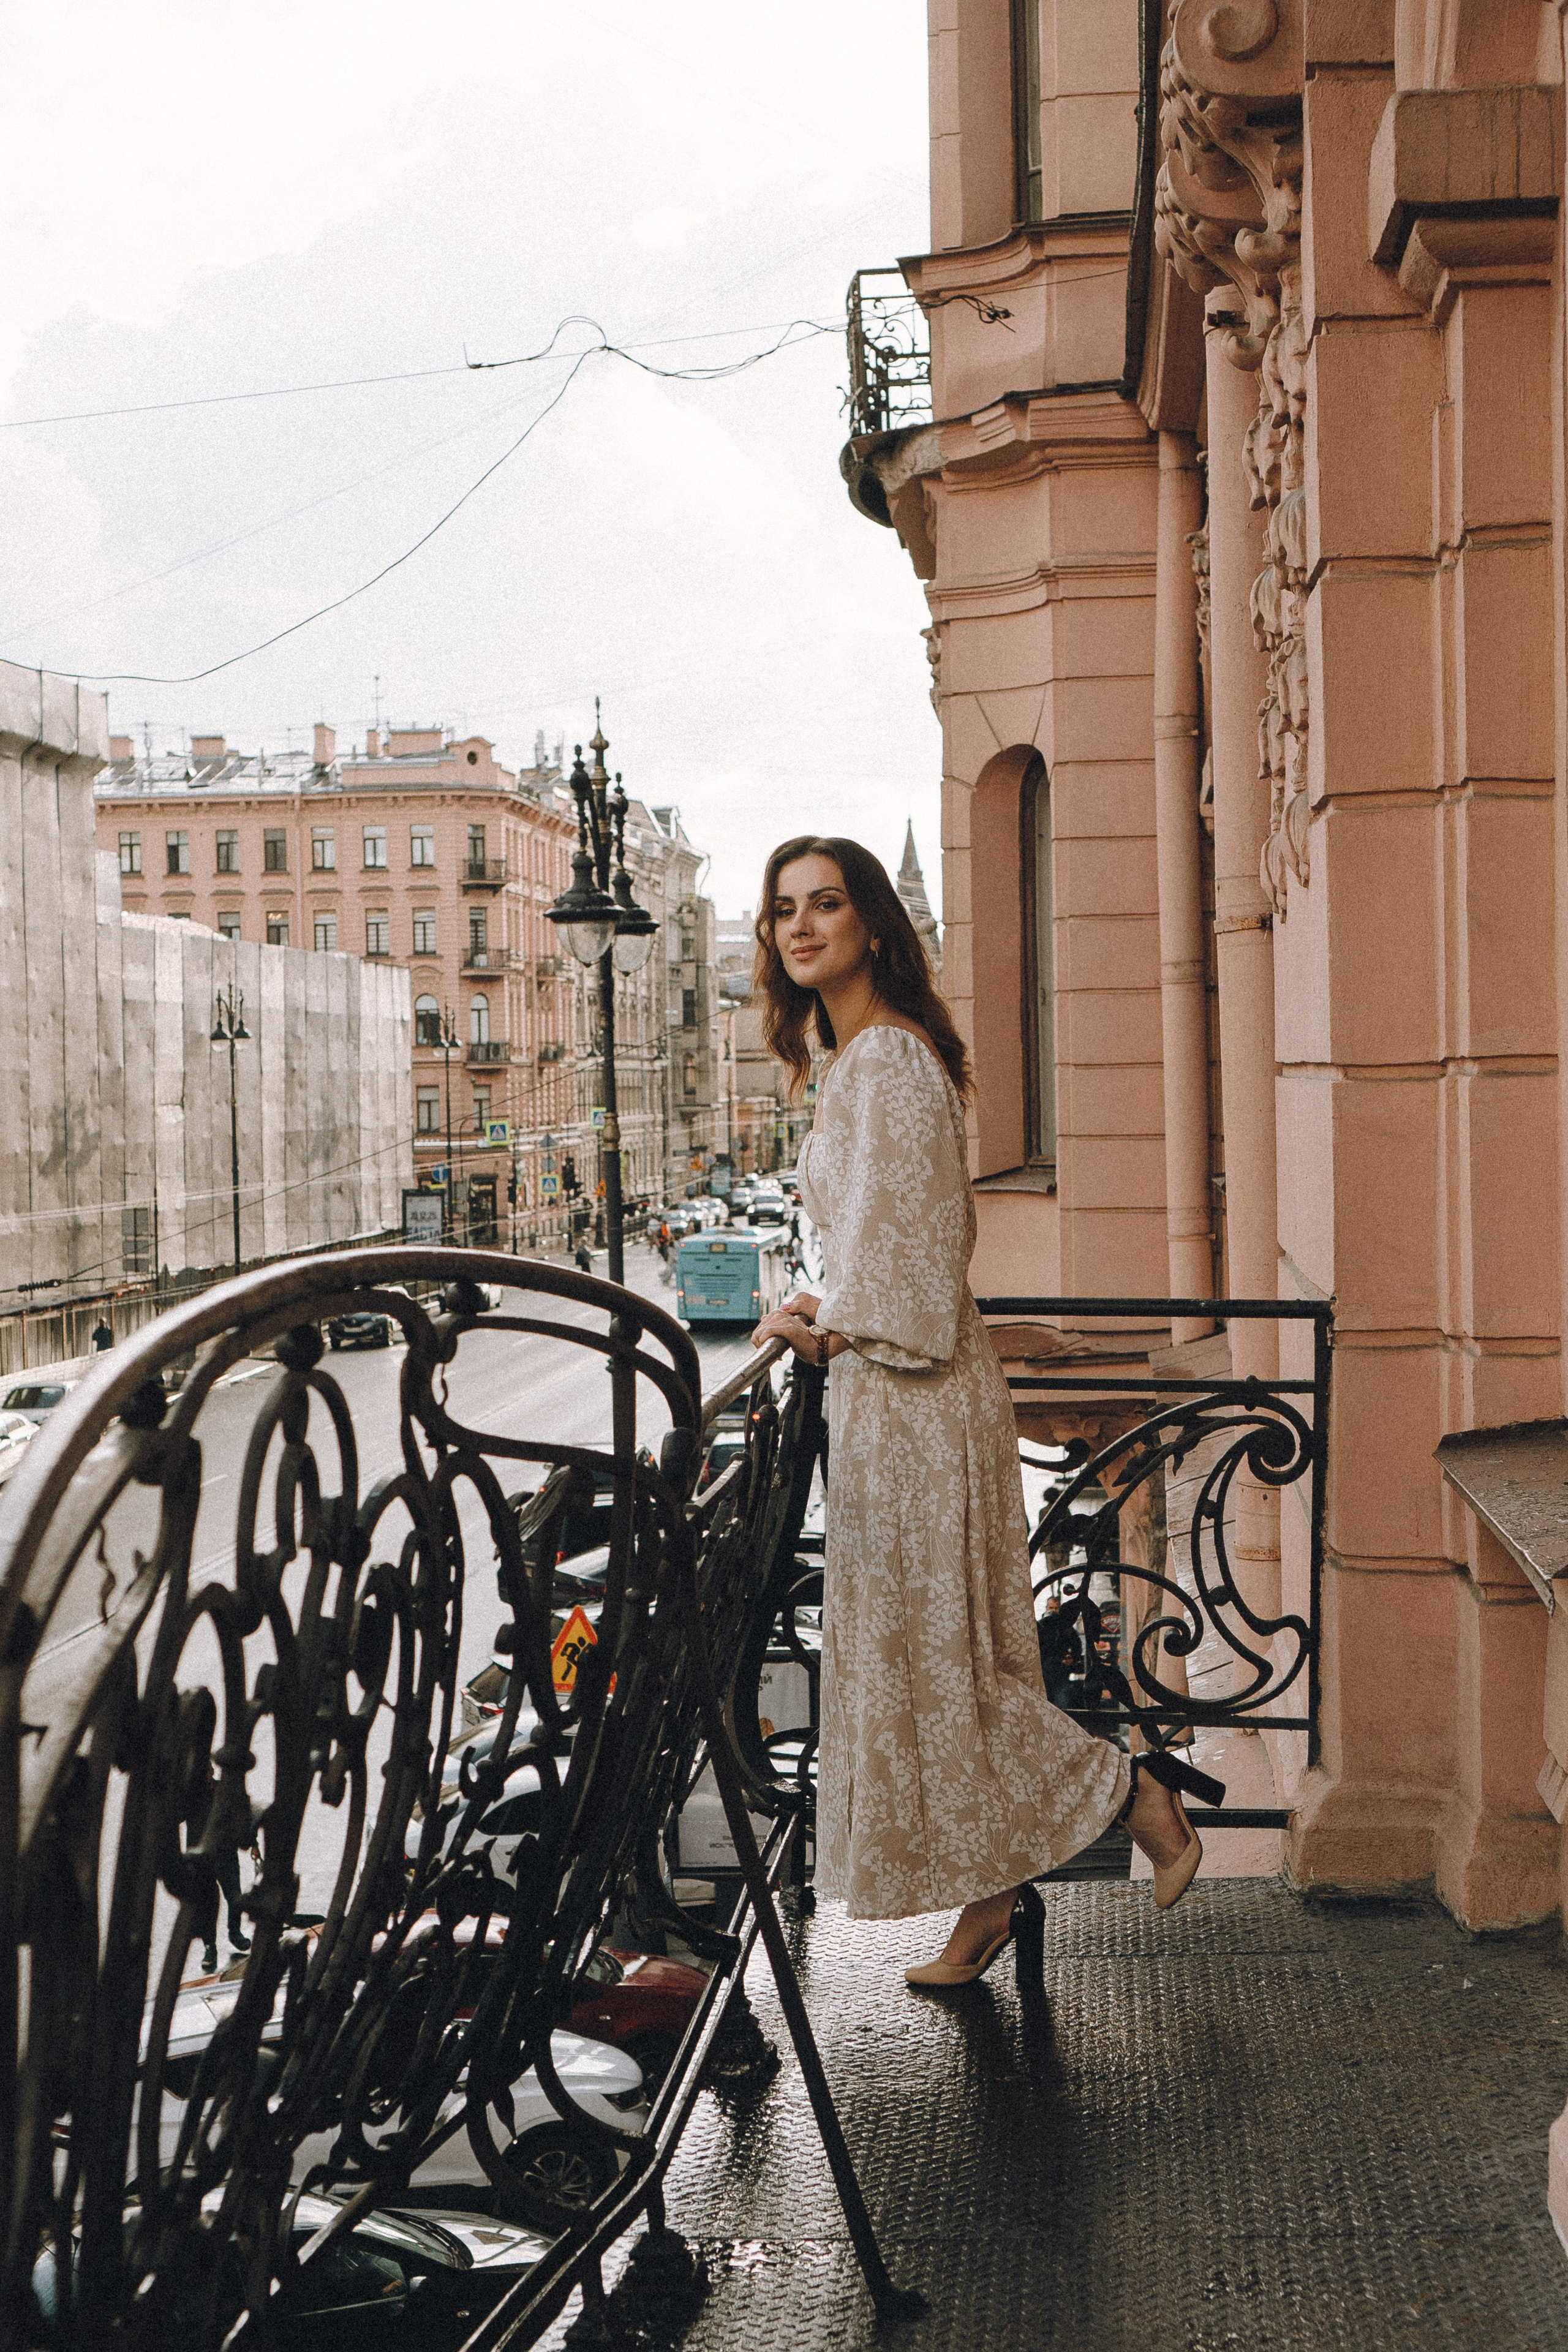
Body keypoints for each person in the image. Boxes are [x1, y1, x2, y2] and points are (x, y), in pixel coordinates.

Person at [748, 835, 1218, 1989]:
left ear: (872, 926)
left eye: (827, 904)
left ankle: (1132, 1792)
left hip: (908, 1400)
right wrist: (830, 1296)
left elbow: (914, 1269)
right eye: (783, 911)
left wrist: (828, 1319)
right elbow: (884, 1239)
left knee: (936, 1670)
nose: (801, 926)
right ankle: (992, 1897)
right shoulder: (857, 1058)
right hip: (896, 1397)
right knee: (932, 1662)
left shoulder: (884, 1063)